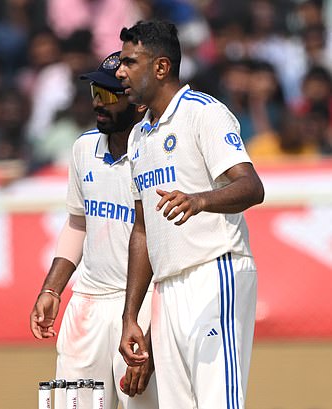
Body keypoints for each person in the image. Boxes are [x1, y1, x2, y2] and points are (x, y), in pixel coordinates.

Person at [114, 20, 265, 409]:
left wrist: (199, 200)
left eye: (130, 62)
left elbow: (251, 186)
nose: (119, 71)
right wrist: (132, 316)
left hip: (215, 272)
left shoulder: (204, 113)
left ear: (161, 67)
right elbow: (143, 230)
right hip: (168, 288)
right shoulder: (138, 135)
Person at [30, 51, 158, 409]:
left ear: (136, 102)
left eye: (108, 95)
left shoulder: (161, 154)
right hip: (87, 303)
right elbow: (77, 222)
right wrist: (52, 289)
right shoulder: (84, 148)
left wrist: (154, 330)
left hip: (144, 307)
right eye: (94, 94)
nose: (98, 104)